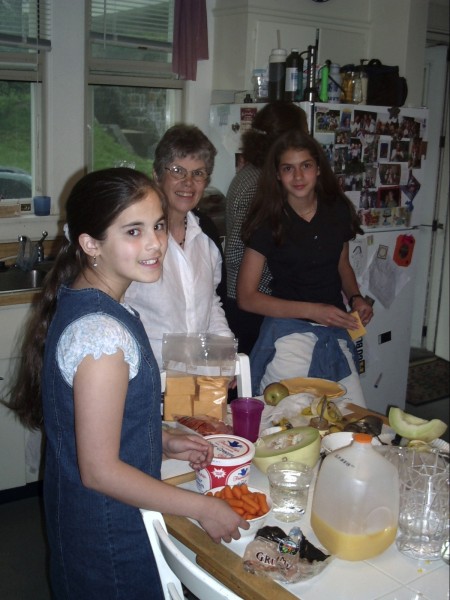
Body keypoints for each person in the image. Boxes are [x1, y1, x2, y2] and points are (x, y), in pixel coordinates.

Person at [5, 168, 247, 599]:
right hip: (111, 533)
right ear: (90, 244)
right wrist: (203, 507)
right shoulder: (102, 337)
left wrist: (161, 439)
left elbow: (98, 427)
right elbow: (100, 470)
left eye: (158, 226)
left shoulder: (91, 302)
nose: (155, 243)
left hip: (92, 520)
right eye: (133, 231)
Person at [236, 130, 374, 406]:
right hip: (289, 336)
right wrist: (313, 311)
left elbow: (342, 264)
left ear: (318, 169)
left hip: (335, 330)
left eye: (306, 166)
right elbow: (246, 297)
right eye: (288, 168)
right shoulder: (268, 221)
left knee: (353, 416)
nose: (298, 176)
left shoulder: (337, 209)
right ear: (277, 174)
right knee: (290, 421)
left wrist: (356, 297)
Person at [125, 124, 232, 369]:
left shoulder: (206, 233)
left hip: (197, 376)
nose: (188, 182)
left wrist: (225, 354)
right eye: (177, 171)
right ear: (156, 175)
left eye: (198, 173)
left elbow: (211, 304)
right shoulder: (135, 236)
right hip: (147, 375)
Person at [224, 101, 308, 355]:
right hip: (253, 303)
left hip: (257, 300)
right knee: (256, 372)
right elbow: (241, 251)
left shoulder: (259, 174)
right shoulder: (258, 185)